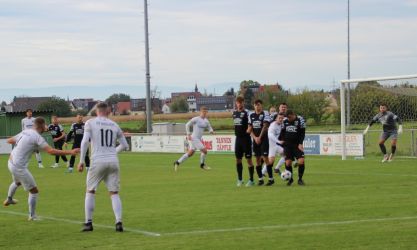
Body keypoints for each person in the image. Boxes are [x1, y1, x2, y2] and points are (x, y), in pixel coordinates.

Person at [3, 117, 78, 220]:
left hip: (10, 162)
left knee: (17, 182)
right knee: (34, 191)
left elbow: (9, 141)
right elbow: (51, 151)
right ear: (42, 125)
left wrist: (26, 145)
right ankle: (32, 216)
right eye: (45, 125)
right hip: (19, 166)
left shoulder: (26, 131)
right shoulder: (37, 137)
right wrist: (70, 152)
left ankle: (9, 199)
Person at [77, 102, 129, 232]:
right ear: (108, 111)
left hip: (97, 161)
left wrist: (81, 161)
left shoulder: (90, 122)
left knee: (90, 191)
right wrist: (112, 153)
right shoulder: (115, 125)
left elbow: (85, 142)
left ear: (96, 111)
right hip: (113, 161)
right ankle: (118, 222)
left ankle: (88, 223)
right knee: (114, 193)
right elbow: (125, 145)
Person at [174, 106, 214, 171]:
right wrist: (188, 134)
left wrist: (211, 131)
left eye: (205, 111)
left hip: (198, 139)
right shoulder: (196, 119)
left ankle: (177, 162)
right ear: (200, 112)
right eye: (203, 111)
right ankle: (202, 165)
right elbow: (187, 125)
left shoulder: (206, 121)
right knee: (205, 151)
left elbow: (209, 127)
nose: (204, 113)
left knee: (190, 153)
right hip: (194, 138)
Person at [248, 99, 273, 186]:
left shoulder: (265, 113)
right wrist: (255, 138)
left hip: (264, 139)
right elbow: (249, 128)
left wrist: (259, 137)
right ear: (253, 106)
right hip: (255, 140)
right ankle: (260, 179)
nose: (257, 106)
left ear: (261, 105)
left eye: (259, 105)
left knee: (265, 158)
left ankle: (270, 179)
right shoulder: (251, 115)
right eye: (256, 105)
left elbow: (265, 126)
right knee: (257, 159)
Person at [279, 110, 306, 186]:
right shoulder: (284, 121)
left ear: (293, 114)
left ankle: (300, 179)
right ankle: (290, 179)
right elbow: (282, 132)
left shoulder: (300, 119)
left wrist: (300, 143)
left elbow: (302, 133)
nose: (289, 119)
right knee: (288, 163)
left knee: (301, 161)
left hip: (297, 145)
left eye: (290, 117)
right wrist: (282, 142)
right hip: (287, 145)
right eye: (287, 117)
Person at [232, 96, 254, 187]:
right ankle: (240, 179)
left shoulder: (247, 113)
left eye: (241, 102)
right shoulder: (234, 113)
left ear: (243, 103)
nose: (239, 104)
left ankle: (251, 180)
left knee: (248, 159)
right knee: (238, 159)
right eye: (238, 102)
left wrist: (249, 129)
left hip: (246, 139)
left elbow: (251, 123)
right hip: (238, 139)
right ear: (236, 103)